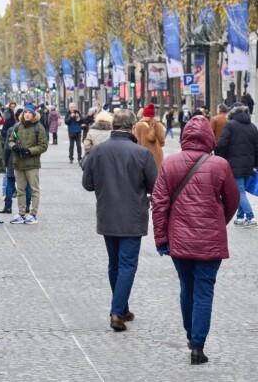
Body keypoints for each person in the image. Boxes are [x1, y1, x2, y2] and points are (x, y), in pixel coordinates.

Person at [152, 115, 239, 365]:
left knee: (186, 287)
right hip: (210, 241)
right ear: (209, 138)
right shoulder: (220, 165)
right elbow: (232, 200)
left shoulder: (170, 163)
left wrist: (161, 238)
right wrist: (217, 223)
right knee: (204, 291)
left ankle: (191, 334)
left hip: (179, 240)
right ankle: (198, 347)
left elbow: (159, 203)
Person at [82, 109, 157, 331]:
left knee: (115, 263)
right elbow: (155, 186)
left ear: (114, 126)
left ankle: (121, 308)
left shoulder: (97, 152)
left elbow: (87, 184)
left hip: (107, 214)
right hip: (132, 216)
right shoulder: (142, 154)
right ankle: (117, 311)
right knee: (127, 265)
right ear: (132, 127)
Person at [216, 103, 258, 227]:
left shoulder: (230, 125)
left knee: (239, 191)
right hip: (249, 164)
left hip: (234, 163)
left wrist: (221, 157)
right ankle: (240, 217)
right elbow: (257, 148)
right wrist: (255, 164)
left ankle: (250, 217)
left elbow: (222, 143)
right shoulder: (252, 127)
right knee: (241, 190)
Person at [8, 105, 48, 224]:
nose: (27, 114)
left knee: (34, 189)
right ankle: (21, 213)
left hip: (32, 164)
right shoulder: (17, 126)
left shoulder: (38, 128)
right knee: (20, 190)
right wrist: (14, 146)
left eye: (30, 113)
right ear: (22, 114)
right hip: (18, 163)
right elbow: (10, 141)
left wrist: (29, 151)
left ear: (33, 115)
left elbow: (43, 146)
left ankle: (33, 214)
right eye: (26, 112)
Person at [135, 103, 166, 170]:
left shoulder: (138, 126)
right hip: (157, 157)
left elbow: (137, 143)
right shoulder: (159, 125)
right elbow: (162, 142)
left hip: (143, 157)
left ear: (144, 115)